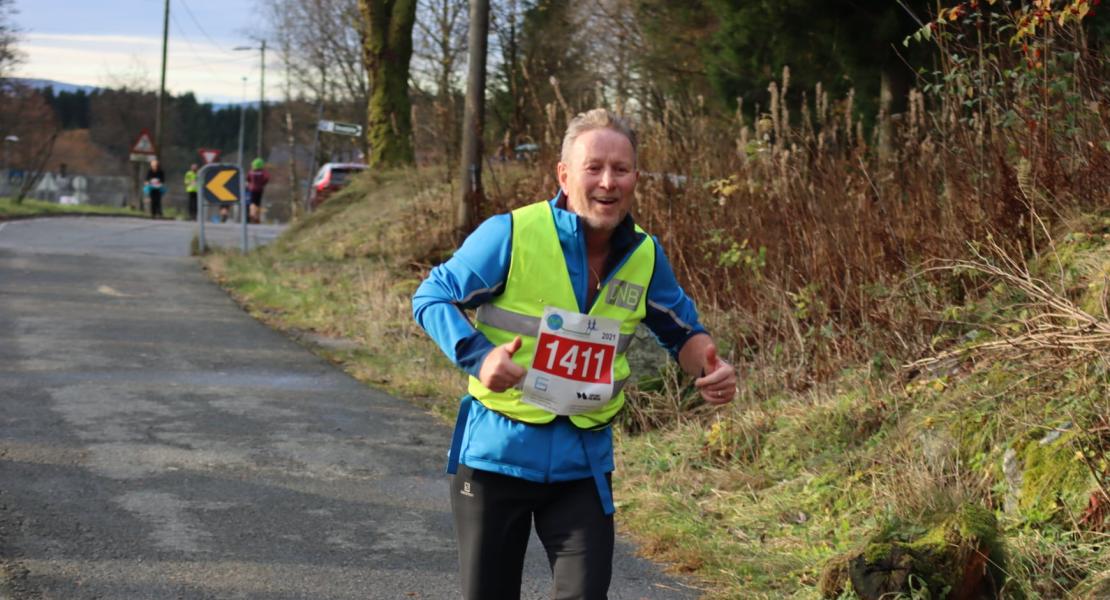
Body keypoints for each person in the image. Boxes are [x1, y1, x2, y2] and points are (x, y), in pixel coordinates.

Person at [412, 108, 736, 599]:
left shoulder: (645, 255)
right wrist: (478, 357)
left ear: (635, 177)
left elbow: (685, 335)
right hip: (497, 457)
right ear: (564, 175)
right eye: (594, 168)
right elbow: (430, 296)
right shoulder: (512, 233)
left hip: (582, 464)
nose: (608, 182)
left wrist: (710, 368)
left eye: (621, 169)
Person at [246, 157, 270, 224]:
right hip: (260, 189)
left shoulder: (251, 172)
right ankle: (256, 217)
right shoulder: (263, 172)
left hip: (252, 189)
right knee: (257, 203)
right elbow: (267, 178)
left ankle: (252, 214)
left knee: (252, 202)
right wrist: (263, 183)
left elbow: (248, 179)